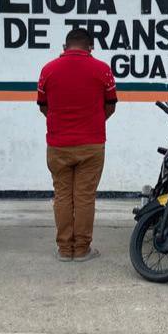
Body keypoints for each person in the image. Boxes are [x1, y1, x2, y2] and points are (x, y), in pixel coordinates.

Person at [37, 27, 118, 262]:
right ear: (90, 48)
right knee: (84, 197)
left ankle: (64, 249)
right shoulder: (102, 70)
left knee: (62, 196)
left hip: (58, 144)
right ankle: (82, 249)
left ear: (65, 47)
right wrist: (92, 122)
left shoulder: (48, 70)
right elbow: (111, 105)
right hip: (91, 144)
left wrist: (61, 123)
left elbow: (43, 105)